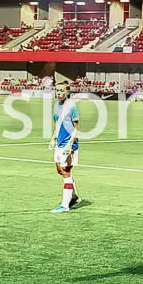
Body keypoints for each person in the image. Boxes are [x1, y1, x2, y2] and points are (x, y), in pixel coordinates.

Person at [48, 83, 82, 213]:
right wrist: (53, 138)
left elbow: (77, 129)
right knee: (60, 171)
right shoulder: (56, 105)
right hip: (59, 143)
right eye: (57, 90)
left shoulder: (71, 106)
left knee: (66, 172)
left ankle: (65, 205)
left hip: (69, 143)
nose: (59, 93)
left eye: (62, 90)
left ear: (67, 92)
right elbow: (58, 124)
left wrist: (70, 145)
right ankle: (74, 197)